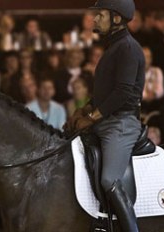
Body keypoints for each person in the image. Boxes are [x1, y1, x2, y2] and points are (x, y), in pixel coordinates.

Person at [65, 0, 145, 231]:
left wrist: (91, 118)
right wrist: (84, 109)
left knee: (109, 180)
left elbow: (122, 93)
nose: (95, 19)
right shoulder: (113, 48)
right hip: (105, 121)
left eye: (100, 15)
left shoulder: (128, 48)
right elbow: (104, 93)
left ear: (117, 19)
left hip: (121, 124)